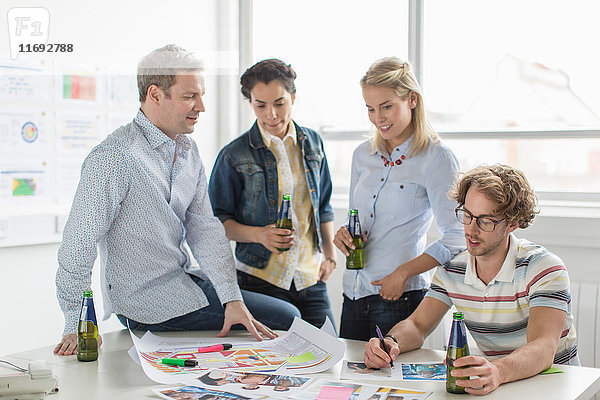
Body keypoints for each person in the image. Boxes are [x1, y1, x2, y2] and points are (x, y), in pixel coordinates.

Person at [54, 45, 301, 356]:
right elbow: (78, 244)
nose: (201, 106)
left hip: (184, 283)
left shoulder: (188, 151)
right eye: (190, 97)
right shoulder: (113, 158)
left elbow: (205, 230)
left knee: (281, 313)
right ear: (156, 95)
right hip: (147, 304)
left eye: (200, 95)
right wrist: (77, 323)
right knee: (288, 318)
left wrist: (232, 298)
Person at [364, 164, 579, 395]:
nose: (471, 230)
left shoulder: (544, 268)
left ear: (513, 224)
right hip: (498, 383)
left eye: (486, 221)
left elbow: (543, 346)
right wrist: (390, 342)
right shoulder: (453, 268)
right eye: (467, 215)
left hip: (555, 385)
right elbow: (417, 325)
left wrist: (497, 371)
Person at [333, 57, 465, 340]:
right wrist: (343, 233)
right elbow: (356, 216)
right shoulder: (361, 155)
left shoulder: (437, 158)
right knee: (349, 381)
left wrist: (403, 272)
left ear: (412, 100)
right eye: (370, 108)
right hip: (354, 293)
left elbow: (457, 237)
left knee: (394, 384)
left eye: (386, 106)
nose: (378, 118)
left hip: (400, 299)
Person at [208, 59, 336, 329]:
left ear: (293, 97)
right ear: (250, 102)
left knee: (329, 358)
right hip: (259, 281)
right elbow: (216, 222)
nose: (271, 115)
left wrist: (330, 255)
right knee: (272, 367)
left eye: (280, 103)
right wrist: (259, 235)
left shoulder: (313, 143)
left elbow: (322, 205)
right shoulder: (233, 155)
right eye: (260, 106)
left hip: (309, 278)